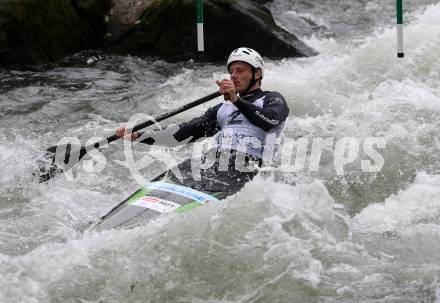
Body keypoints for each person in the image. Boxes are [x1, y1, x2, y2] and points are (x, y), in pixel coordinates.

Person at [116, 47, 289, 194]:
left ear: (257, 73)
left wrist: (236, 100)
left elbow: (269, 120)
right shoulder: (222, 109)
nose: (233, 76)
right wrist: (138, 135)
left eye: (240, 70)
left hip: (250, 167)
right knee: (184, 167)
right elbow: (184, 133)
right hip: (215, 161)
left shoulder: (272, 99)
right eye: (231, 71)